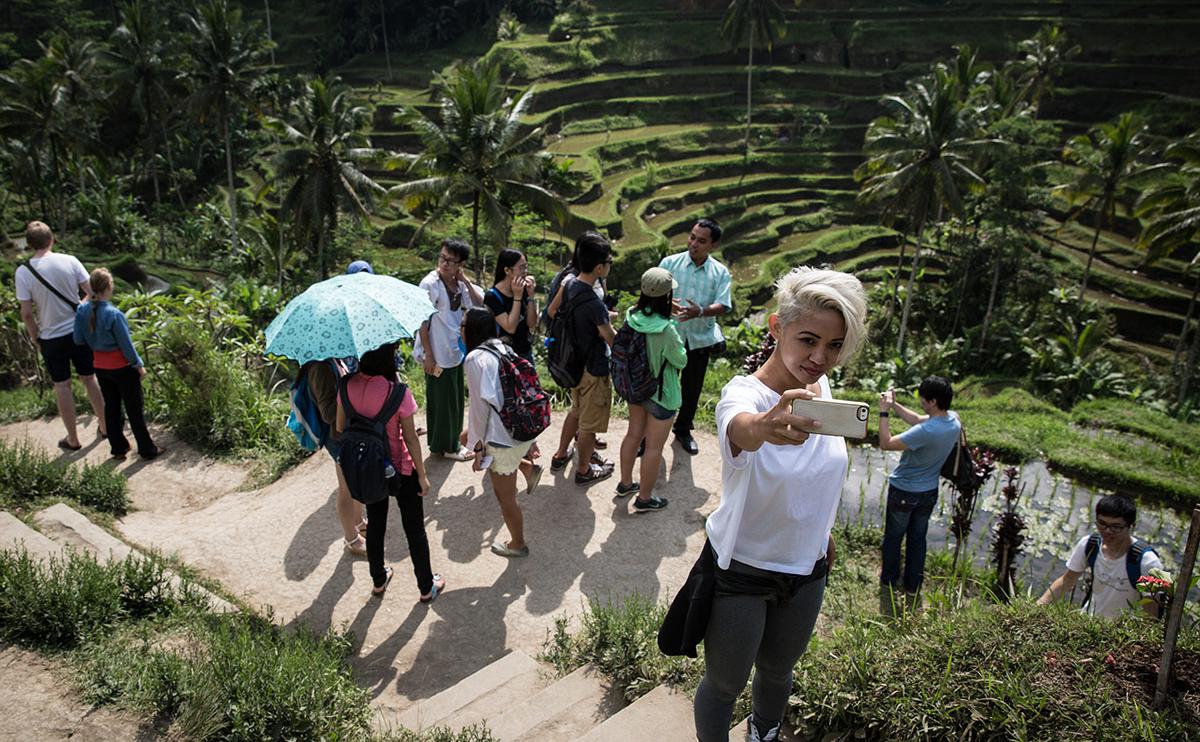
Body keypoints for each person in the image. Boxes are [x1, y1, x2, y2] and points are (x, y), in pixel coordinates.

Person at [693, 267, 867, 742]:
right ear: (776, 328)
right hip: (744, 570)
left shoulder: (820, 386)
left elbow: (816, 475)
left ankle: (763, 734)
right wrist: (761, 429)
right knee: (726, 683)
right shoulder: (743, 395)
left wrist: (820, 530)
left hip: (807, 568)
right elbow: (741, 426)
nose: (820, 358)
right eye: (808, 340)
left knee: (778, 672)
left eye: (834, 346)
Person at [335, 342, 443, 601]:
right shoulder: (397, 392)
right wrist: (421, 475)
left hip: (368, 468)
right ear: (388, 359)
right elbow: (411, 439)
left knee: (376, 525)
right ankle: (426, 587)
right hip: (401, 468)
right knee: (414, 529)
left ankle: (379, 581)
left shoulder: (346, 386)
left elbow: (340, 427)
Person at [15, 221, 106, 450]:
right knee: (89, 379)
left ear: (29, 245)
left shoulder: (23, 272)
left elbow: (26, 314)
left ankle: (73, 439)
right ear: (52, 239)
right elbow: (93, 293)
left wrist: (36, 338)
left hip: (51, 337)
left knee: (62, 386)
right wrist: (79, 307)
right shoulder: (69, 260)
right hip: (78, 331)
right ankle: (106, 427)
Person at [462, 308, 545, 557]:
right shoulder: (503, 347)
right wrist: (531, 440)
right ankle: (528, 467)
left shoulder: (475, 358)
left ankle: (517, 543)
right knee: (463, 437)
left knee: (505, 498)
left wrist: (477, 447)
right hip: (520, 429)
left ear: (472, 329)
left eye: (463, 324)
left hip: (501, 438)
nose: (460, 327)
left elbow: (480, 408)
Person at [876, 377, 962, 608]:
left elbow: (886, 443)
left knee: (894, 538)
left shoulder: (927, 431)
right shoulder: (953, 420)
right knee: (917, 539)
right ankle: (913, 584)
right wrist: (894, 405)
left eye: (923, 399)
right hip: (928, 492)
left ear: (932, 401)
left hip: (904, 490)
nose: (921, 402)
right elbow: (916, 418)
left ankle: (889, 580)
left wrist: (884, 412)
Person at [615, 267, 687, 513]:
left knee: (633, 435)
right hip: (661, 394)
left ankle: (625, 483)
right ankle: (644, 498)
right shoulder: (666, 329)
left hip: (636, 388)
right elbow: (681, 361)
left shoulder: (631, 316)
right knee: (654, 447)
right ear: (667, 297)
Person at [546, 233, 617, 485]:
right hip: (593, 369)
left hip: (573, 363)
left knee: (576, 411)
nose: (609, 264)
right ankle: (584, 470)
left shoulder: (569, 284)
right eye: (608, 261)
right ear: (599, 267)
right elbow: (612, 341)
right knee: (589, 425)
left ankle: (560, 453)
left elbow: (553, 311)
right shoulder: (595, 303)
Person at [658, 218, 732, 456]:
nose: (693, 244)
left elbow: (724, 304)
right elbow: (653, 293)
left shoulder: (720, 272)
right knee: (660, 386)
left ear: (713, 245)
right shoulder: (669, 263)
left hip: (699, 339)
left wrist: (700, 311)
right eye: (692, 237)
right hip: (668, 337)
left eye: (701, 241)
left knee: (692, 388)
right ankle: (649, 433)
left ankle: (682, 430)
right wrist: (665, 304)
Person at [72, 268, 161, 461]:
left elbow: (78, 339)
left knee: (111, 407)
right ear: (108, 287)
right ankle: (147, 449)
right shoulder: (114, 314)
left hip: (101, 367)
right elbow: (126, 346)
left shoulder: (81, 311)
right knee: (134, 409)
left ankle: (118, 449)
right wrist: (138, 365)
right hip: (122, 368)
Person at [1039, 494, 1163, 618]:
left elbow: (1152, 611)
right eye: (1102, 524)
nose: (1107, 531)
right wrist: (1039, 606)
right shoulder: (1089, 544)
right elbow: (1067, 580)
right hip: (1089, 621)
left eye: (1116, 527)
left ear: (1131, 526)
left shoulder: (1150, 563)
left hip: (1124, 632)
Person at [415, 238, 483, 461]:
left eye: (452, 261)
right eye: (443, 258)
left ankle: (448, 442)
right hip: (437, 352)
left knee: (454, 400)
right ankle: (447, 447)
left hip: (454, 350)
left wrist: (465, 279)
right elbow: (422, 321)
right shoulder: (430, 284)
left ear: (460, 265)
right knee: (441, 402)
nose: (445, 264)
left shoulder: (459, 284)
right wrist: (429, 355)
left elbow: (478, 303)